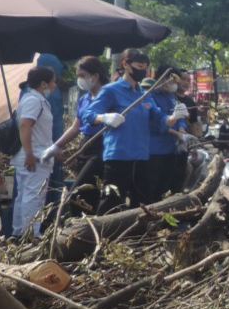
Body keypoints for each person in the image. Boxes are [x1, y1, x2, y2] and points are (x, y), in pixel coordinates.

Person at [82, 49, 185, 213]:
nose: (143, 70)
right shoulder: (111, 90)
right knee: (111, 203)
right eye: (139, 66)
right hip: (118, 157)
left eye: (145, 67)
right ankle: (103, 236)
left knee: (144, 204)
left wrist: (173, 117)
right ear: (126, 64)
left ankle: (137, 237)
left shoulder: (144, 95)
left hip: (142, 157)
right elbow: (88, 115)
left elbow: (159, 119)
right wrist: (105, 118)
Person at [42, 56, 111, 214]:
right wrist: (56, 146)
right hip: (86, 145)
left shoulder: (109, 95)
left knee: (76, 192)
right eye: (78, 76)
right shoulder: (85, 98)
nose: (79, 79)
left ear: (95, 76)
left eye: (82, 76)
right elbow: (75, 127)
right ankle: (87, 228)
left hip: (103, 145)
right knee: (89, 194)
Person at [11, 67, 57, 237]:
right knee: (33, 197)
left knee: (24, 196)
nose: (54, 85)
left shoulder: (33, 99)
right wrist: (30, 154)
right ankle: (30, 236)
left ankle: (19, 235)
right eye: (53, 81)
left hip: (34, 154)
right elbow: (25, 125)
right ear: (43, 83)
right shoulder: (34, 101)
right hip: (34, 156)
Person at [147, 67, 191, 198]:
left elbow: (180, 117)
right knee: (153, 189)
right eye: (173, 80)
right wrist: (177, 134)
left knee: (170, 187)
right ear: (163, 78)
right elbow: (156, 123)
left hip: (172, 149)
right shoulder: (150, 96)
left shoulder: (171, 97)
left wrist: (182, 129)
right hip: (155, 150)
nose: (176, 84)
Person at [36, 53, 68, 204]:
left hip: (42, 149)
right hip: (47, 149)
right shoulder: (49, 93)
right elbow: (53, 124)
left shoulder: (30, 90)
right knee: (48, 191)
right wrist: (57, 146)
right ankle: (47, 223)